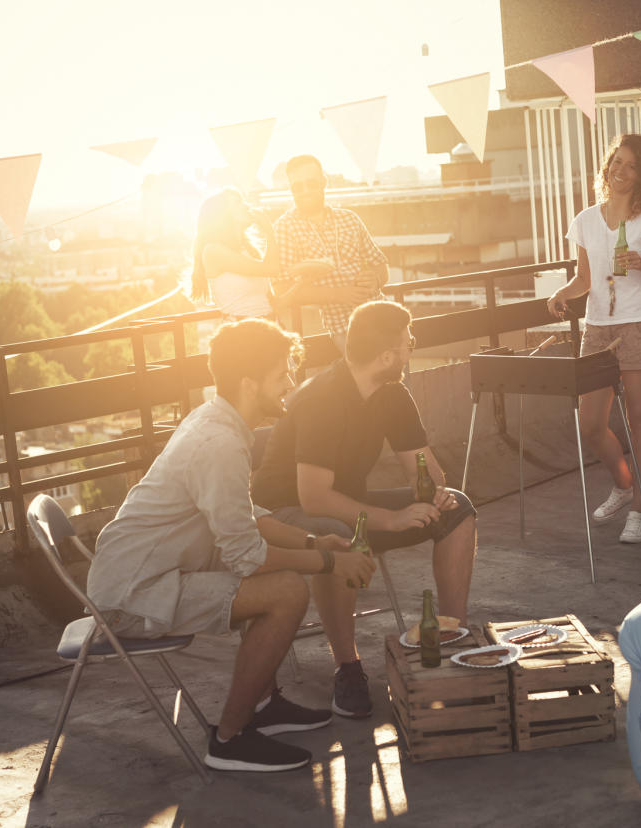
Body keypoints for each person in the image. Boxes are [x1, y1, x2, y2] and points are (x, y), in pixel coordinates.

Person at [86, 318, 376, 773]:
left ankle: (264, 706)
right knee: (286, 590)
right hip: (134, 596)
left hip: (148, 576)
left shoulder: (218, 420)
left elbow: (247, 517)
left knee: (280, 579)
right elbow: (248, 557)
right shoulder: (219, 442)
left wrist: (313, 540)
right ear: (248, 382)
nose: (290, 384)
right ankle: (229, 739)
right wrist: (328, 562)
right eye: (282, 375)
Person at [250, 300, 477, 719]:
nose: (412, 349)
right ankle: (347, 667)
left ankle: (451, 637)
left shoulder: (392, 393)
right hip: (285, 512)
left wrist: (433, 492)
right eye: (409, 344)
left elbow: (424, 468)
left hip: (346, 505)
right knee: (338, 535)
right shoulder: (322, 398)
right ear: (387, 356)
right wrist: (391, 518)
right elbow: (314, 497)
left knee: (458, 510)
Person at [547, 133, 641, 544]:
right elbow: (585, 278)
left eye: (631, 165)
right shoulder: (585, 219)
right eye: (616, 162)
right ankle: (623, 485)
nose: (620, 170)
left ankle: (639, 509)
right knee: (590, 424)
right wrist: (560, 294)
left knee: (639, 421)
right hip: (598, 329)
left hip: (638, 325)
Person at [273, 155, 389, 345]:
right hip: (344, 326)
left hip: (382, 312)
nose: (305, 191)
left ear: (324, 182)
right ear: (290, 189)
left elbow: (381, 266)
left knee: (398, 372)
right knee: (369, 374)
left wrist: (375, 279)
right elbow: (282, 289)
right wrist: (338, 294)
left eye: (311, 183)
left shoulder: (349, 218)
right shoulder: (284, 228)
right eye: (297, 186)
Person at [188, 188, 329, 321]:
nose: (247, 206)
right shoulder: (213, 251)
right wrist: (268, 230)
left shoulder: (249, 251)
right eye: (238, 203)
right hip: (243, 334)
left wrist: (301, 283)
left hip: (269, 328)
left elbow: (275, 304)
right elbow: (272, 269)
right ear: (222, 214)